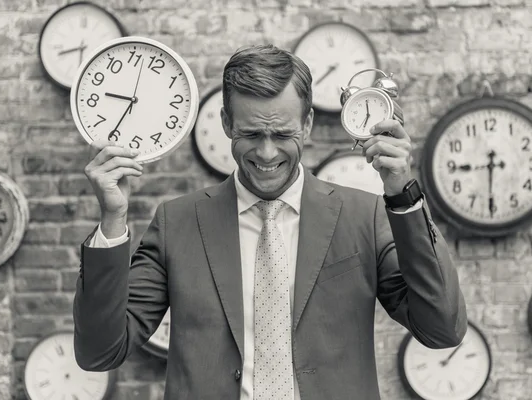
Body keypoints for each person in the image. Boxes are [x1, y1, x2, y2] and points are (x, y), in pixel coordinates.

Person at [73, 44, 467, 400]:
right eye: (250, 133)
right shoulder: (177, 222)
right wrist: (112, 218)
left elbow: (442, 328)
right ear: (226, 124)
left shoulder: (366, 216)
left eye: (282, 134)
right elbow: (100, 352)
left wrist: (403, 196)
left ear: (308, 124)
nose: (266, 152)